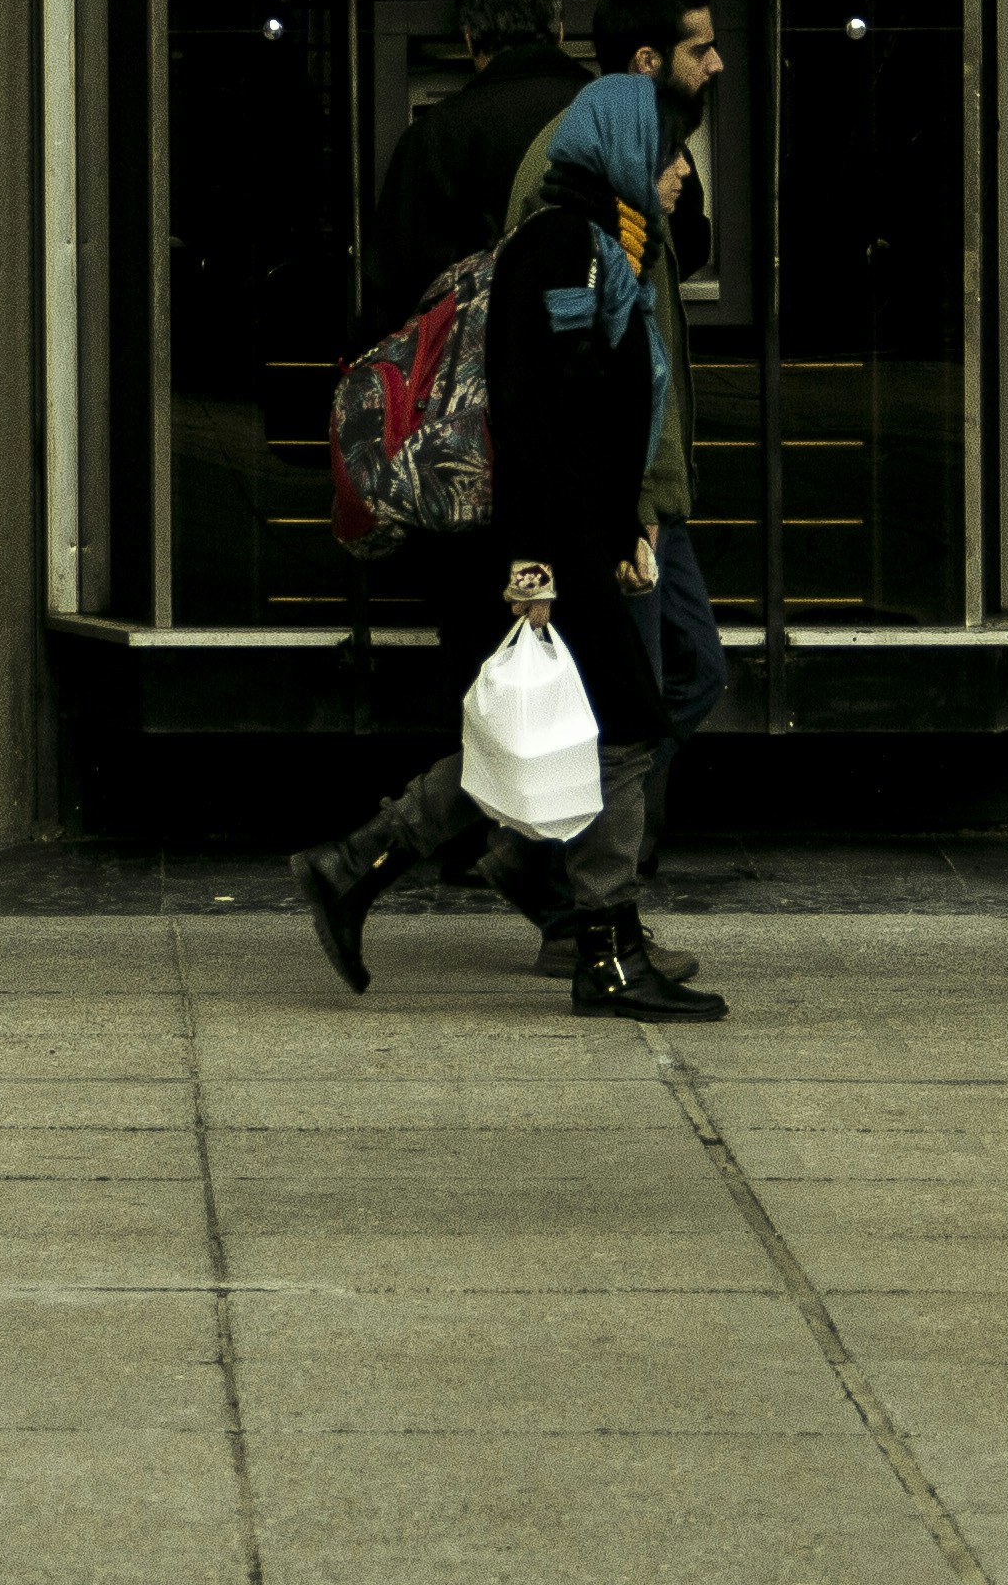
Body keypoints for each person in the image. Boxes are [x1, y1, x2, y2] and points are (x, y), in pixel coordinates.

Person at [288, 71, 727, 1022]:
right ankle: (603, 949)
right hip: (546, 544)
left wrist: (623, 530)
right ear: (622, 151)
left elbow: (593, 423)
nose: (683, 170)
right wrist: (536, 567)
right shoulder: (566, 249)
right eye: (667, 150)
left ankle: (357, 865)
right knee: (623, 728)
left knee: (560, 733)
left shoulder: (605, 248)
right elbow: (534, 421)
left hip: (574, 537)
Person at [503, 0, 732, 979]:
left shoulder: (639, 180)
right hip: (616, 505)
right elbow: (571, 381)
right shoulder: (573, 187)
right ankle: (589, 914)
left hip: (653, 491)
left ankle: (541, 863)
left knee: (690, 674)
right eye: (699, 49)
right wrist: (620, 518)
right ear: (646, 63)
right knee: (622, 712)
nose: (716, 64)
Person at [361, 0, 582, 335]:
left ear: (468, 39)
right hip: (597, 364)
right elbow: (688, 236)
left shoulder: (433, 134)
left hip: (478, 367)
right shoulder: (619, 115)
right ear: (560, 32)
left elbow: (393, 275)